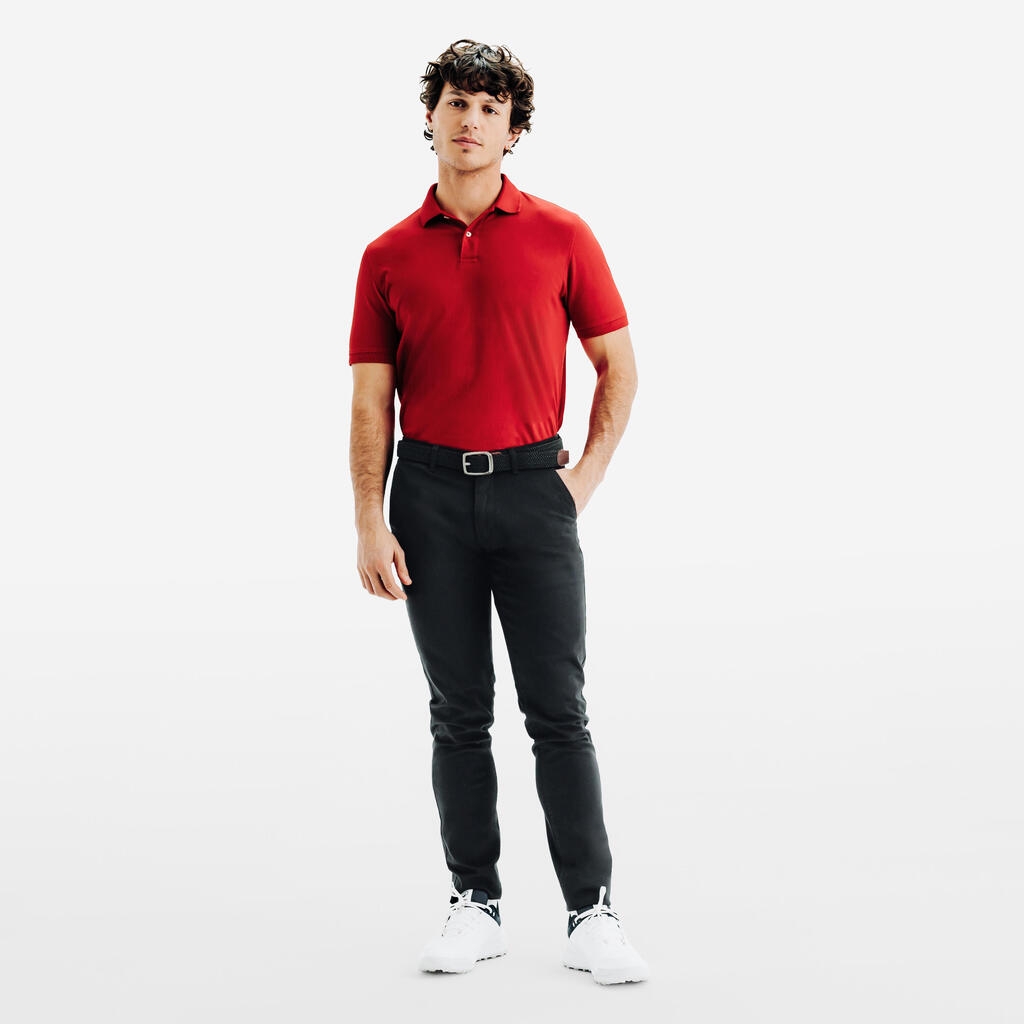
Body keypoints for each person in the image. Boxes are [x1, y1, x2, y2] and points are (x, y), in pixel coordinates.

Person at [348, 39, 649, 985]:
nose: (471, 120)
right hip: (428, 496)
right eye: (456, 102)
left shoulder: (563, 235)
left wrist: (582, 479)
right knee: (458, 713)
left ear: (514, 129)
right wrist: (369, 520)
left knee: (559, 711)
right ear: (429, 117)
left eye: (490, 107)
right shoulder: (387, 254)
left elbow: (618, 365)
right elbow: (371, 401)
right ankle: (474, 902)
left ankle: (591, 912)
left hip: (532, 493)